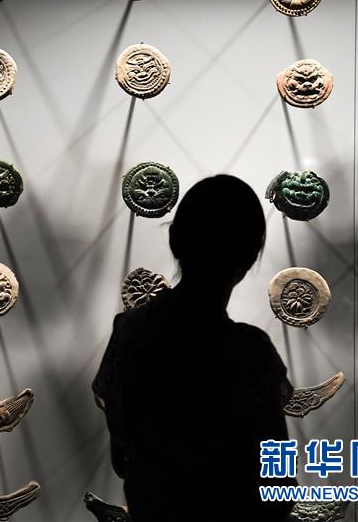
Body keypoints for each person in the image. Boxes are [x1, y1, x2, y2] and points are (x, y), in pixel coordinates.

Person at [92, 175, 296, 522]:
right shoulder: (249, 352)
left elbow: (122, 460)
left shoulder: (128, 333)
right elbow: (279, 486)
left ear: (175, 240)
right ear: (249, 258)